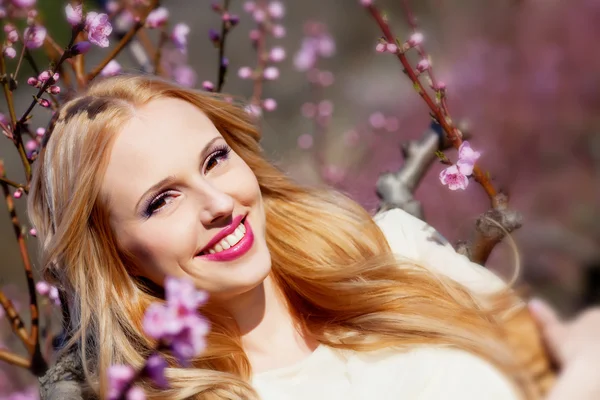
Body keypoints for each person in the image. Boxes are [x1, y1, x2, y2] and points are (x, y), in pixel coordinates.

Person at [27, 74, 598, 400]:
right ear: (116, 257)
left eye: (215, 160)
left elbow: (546, 361)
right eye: (162, 200)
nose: (220, 204)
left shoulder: (392, 250)